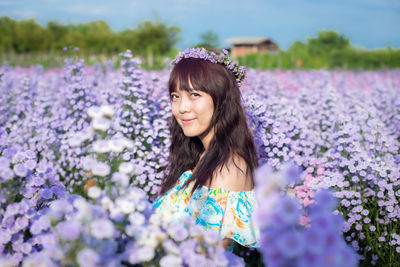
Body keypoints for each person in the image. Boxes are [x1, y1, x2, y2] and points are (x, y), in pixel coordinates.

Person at [153, 48, 259, 251]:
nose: (182, 107)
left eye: (194, 95)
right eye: (175, 96)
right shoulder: (203, 155)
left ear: (222, 100)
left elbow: (207, 256)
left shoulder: (228, 169)